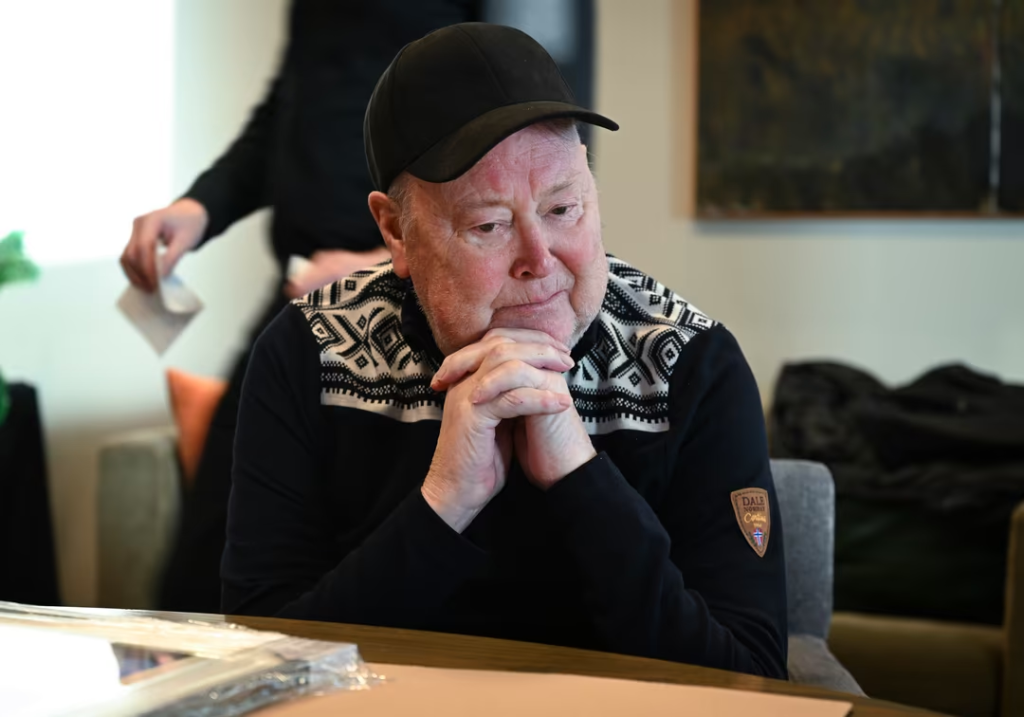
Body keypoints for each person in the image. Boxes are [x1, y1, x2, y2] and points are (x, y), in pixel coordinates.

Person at [223, 23, 788, 677]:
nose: (540, 260)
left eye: (563, 209)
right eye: (489, 224)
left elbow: (750, 680)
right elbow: (264, 662)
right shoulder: (311, 353)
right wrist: (445, 502)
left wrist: (581, 480)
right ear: (395, 230)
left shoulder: (690, 363)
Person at [118, 1, 480, 612]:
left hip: (415, 307)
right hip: (297, 302)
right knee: (211, 545)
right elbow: (284, 117)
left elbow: (512, 150)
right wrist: (199, 208)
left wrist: (384, 257)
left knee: (368, 548)